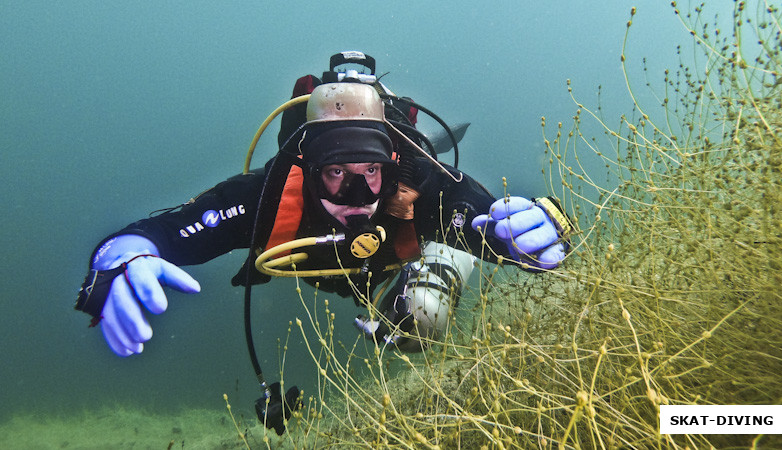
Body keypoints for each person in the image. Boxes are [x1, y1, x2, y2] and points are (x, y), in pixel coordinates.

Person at [74, 51, 572, 432]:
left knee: (424, 317)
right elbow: (161, 231)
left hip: (393, 264)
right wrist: (120, 259)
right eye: (335, 172)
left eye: (370, 172)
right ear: (306, 169)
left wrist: (542, 233)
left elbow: (490, 222)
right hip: (327, 273)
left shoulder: (422, 183)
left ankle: (426, 281)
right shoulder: (266, 195)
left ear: (392, 165)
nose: (356, 195)